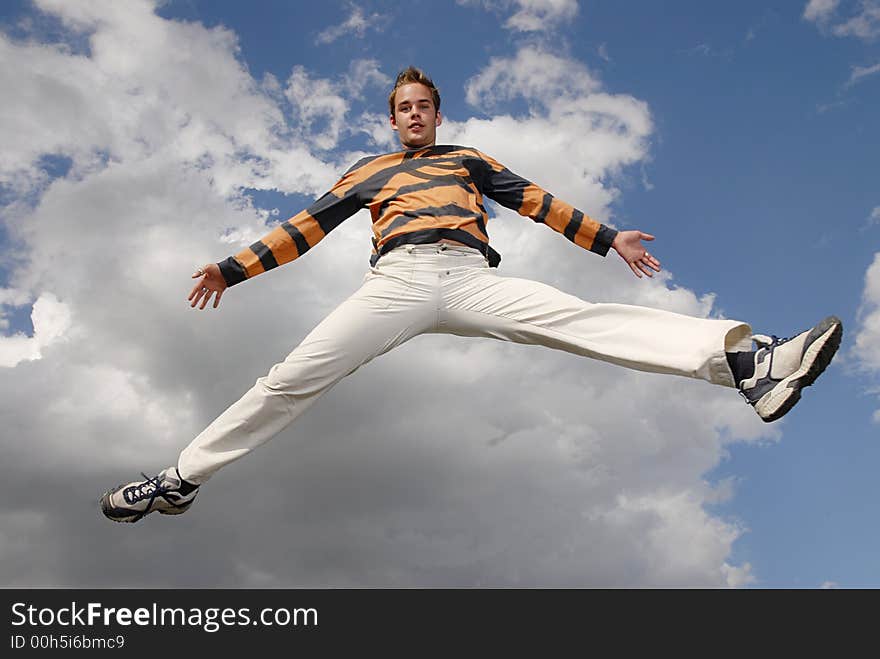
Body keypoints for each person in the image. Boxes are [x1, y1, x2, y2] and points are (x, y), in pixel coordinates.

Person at [100, 67, 842, 523]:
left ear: (437, 113)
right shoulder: (368, 171)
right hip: (394, 283)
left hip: (468, 276)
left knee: (579, 320)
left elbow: (532, 198)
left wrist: (607, 236)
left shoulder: (468, 158)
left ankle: (750, 363)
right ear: (391, 118)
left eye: (424, 104)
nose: (414, 113)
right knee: (290, 379)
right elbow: (307, 227)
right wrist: (231, 268)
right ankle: (178, 478)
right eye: (404, 106)